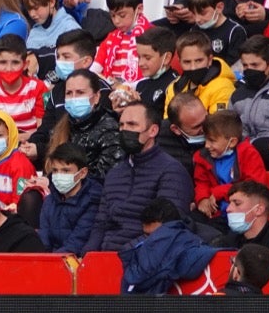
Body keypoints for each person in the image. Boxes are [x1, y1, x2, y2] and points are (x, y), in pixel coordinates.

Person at [85, 101, 193, 252]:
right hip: (106, 258)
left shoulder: (172, 171)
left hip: (145, 258)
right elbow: (101, 224)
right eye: (122, 125)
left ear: (153, 131)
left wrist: (124, 254)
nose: (124, 130)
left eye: (132, 125)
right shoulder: (115, 173)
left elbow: (167, 229)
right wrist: (87, 257)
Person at [36, 142, 103, 256]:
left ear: (82, 173)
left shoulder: (92, 201)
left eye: (66, 170)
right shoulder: (49, 201)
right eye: (55, 171)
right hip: (51, 261)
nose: (59, 175)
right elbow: (43, 239)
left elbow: (78, 241)